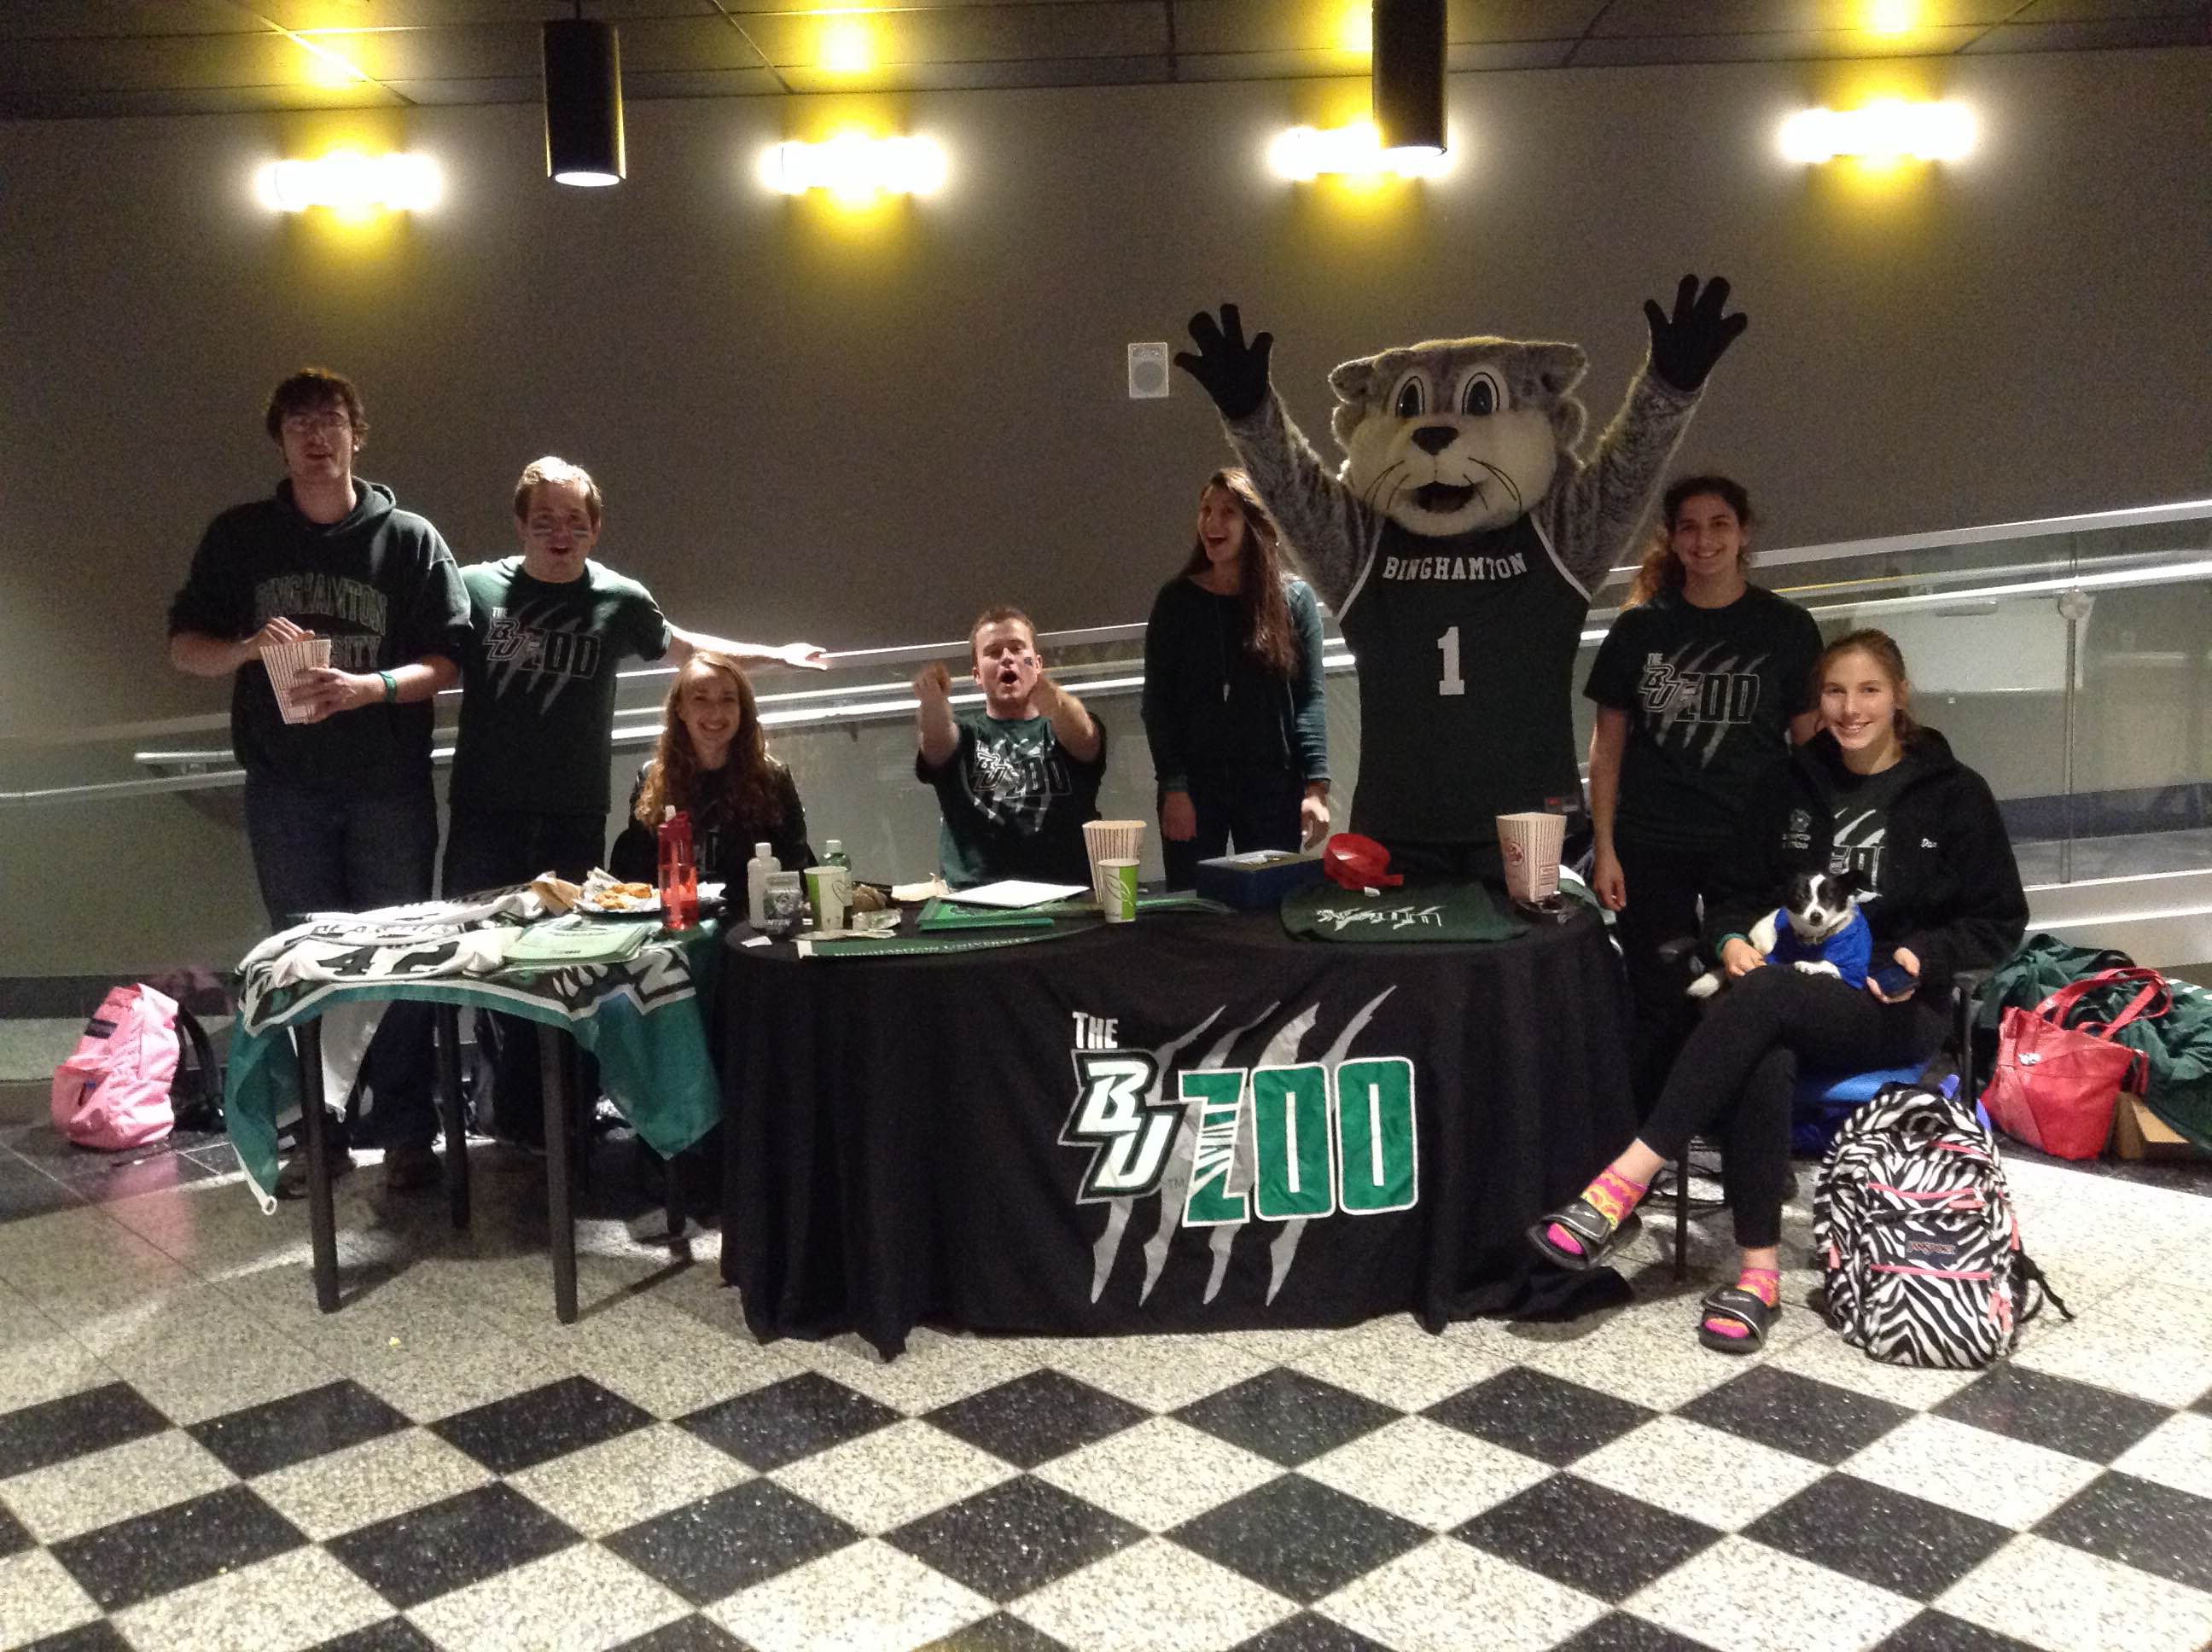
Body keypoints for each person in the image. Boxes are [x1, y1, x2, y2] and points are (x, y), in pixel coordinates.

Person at [1529, 628, 2027, 1352]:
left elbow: (1999, 920)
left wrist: (1925, 955)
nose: (1850, 709)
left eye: (1868, 691)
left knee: (1760, 1003)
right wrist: (1731, 939)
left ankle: (1619, 1187)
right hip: (1786, 988)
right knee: (1765, 1041)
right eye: (1835, 692)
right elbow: (1734, 893)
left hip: (1889, 1003)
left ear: (1899, 696)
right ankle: (1757, 1276)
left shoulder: (1955, 793)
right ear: (1817, 700)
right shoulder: (1786, 782)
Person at [444, 455, 828, 1140]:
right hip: (485, 809)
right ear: (521, 525)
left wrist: (776, 655)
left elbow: (687, 649)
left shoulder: (618, 599)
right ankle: (505, 1111)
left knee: (567, 963)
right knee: (484, 960)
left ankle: (558, 1117)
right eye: (544, 521)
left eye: (574, 521)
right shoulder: (475, 588)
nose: (560, 534)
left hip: (571, 811)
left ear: (594, 529)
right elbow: (430, 659)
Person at [167, 368, 470, 1193]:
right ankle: (318, 1130)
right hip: (286, 790)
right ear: (280, 441)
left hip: (389, 787)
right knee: (304, 961)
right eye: (298, 422)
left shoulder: (408, 539)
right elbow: (185, 647)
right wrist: (246, 650)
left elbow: (450, 660)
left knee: (400, 957)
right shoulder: (240, 537)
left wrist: (370, 688)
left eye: (329, 420)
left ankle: (408, 1132)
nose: (315, 435)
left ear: (355, 435)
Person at [1584, 475, 1823, 1110]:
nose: (1704, 539)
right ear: (1671, 538)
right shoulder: (1639, 630)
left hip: (1751, 846)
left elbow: (1811, 751)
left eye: (1720, 524)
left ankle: (1744, 1126)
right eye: (1689, 526)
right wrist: (1604, 847)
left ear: (1744, 533)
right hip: (1650, 841)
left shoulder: (1787, 628)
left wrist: (1809, 849)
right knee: (1658, 996)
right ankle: (1655, 1134)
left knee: (1752, 991)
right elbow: (1606, 750)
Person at [1142, 468, 1331, 889]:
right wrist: (1174, 787)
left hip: (1272, 785)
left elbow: (1310, 699)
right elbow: (1158, 704)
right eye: (1205, 510)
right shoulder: (1176, 602)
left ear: (1256, 523)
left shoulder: (1294, 600)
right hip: (1193, 787)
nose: (1212, 522)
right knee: (1194, 906)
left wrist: (1316, 788)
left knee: (1272, 904)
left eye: (1228, 512)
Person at [915, 607, 1106, 888]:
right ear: (977, 675)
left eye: (1017, 648)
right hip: (976, 897)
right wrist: (933, 704)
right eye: (993, 652)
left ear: (1037, 664)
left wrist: (1055, 699)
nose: (1007, 657)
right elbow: (937, 739)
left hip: (1068, 894)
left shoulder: (1063, 728)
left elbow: (1085, 738)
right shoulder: (965, 735)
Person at [608, 651, 812, 885]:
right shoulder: (650, 778)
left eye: (728, 699)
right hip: (675, 908)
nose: (716, 712)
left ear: (742, 709)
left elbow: (796, 872)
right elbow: (637, 880)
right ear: (680, 709)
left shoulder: (774, 778)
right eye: (701, 699)